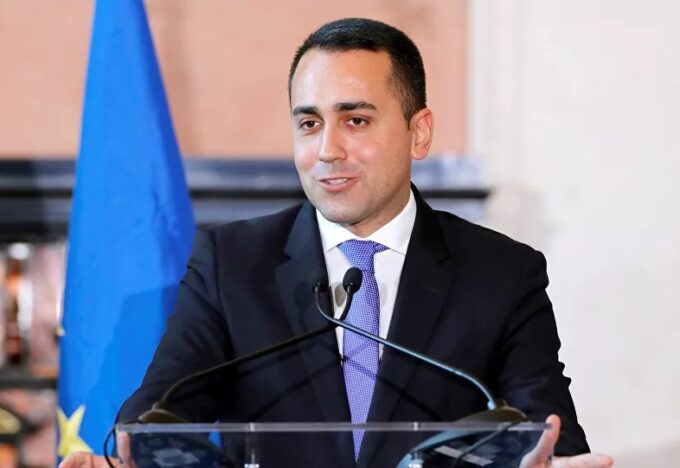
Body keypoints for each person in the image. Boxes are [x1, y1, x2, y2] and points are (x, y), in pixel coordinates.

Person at [61, 18, 613, 467]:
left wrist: (553, 463)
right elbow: (163, 410)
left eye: (356, 121)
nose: (327, 150)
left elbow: (548, 431)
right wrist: (131, 458)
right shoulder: (231, 263)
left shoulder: (501, 272)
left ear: (419, 132)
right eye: (309, 124)